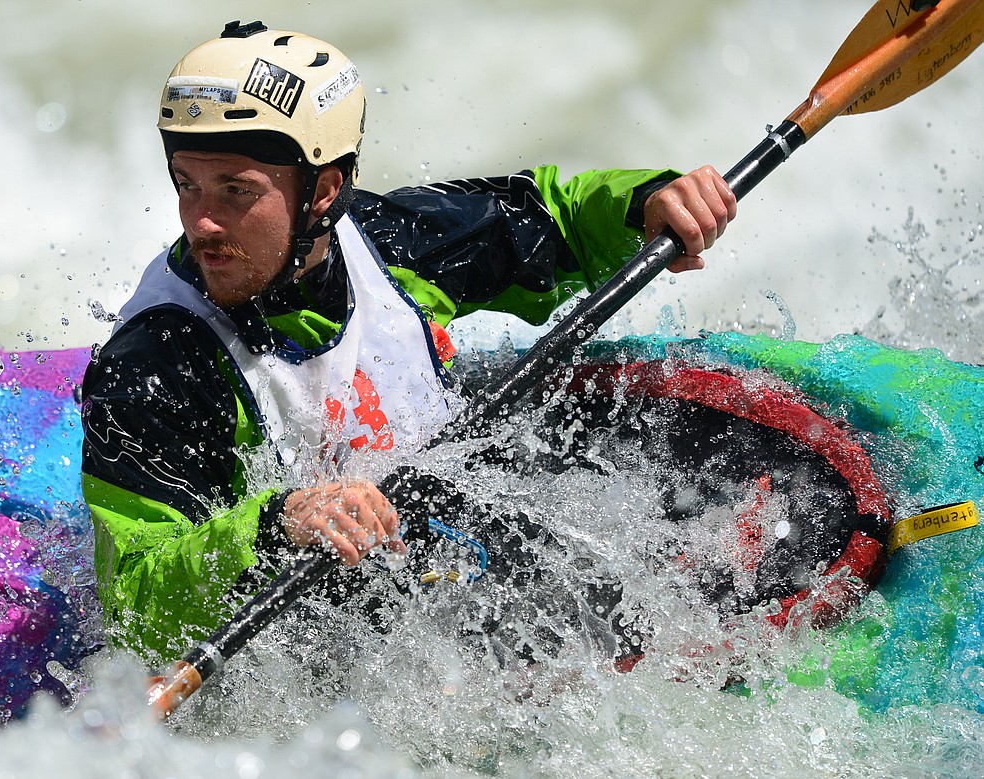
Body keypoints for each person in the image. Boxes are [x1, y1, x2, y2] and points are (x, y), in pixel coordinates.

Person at [81, 20, 737, 663]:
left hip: (449, 550)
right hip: (325, 644)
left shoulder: (387, 242)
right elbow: (136, 607)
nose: (202, 221)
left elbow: (551, 218)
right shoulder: (153, 365)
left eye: (236, 191)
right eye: (187, 182)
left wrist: (647, 201)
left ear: (325, 190)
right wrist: (272, 524)